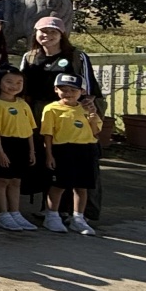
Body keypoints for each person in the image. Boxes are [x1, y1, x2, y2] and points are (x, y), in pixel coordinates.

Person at [39, 71, 100, 233]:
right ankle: (52, 216)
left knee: (82, 186)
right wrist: (49, 155)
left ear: (82, 91)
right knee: (59, 185)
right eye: (64, 89)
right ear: (56, 90)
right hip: (62, 150)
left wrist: (92, 115)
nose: (68, 93)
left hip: (85, 149)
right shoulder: (51, 109)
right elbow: (47, 134)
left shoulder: (86, 108)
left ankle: (78, 218)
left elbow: (95, 132)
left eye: (73, 90)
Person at [0, 68, 38, 231]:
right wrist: (0, 152)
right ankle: (3, 214)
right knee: (2, 180)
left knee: (16, 181)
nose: (14, 86)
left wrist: (32, 150)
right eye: (9, 82)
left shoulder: (23, 103)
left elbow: (30, 129)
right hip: (4, 144)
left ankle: (15, 212)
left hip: (22, 145)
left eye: (18, 82)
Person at [18, 16, 102, 116]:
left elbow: (89, 84)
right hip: (36, 109)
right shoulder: (29, 57)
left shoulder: (77, 56)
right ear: (36, 33)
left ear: (61, 35)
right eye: (43, 31)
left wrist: (87, 104)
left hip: (68, 110)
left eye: (53, 31)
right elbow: (22, 83)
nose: (47, 35)